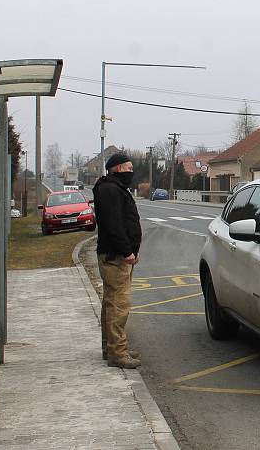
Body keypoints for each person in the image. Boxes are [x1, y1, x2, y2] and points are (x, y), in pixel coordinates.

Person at [93, 153, 142, 369]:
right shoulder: (111, 190)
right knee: (118, 305)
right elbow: (115, 226)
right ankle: (117, 353)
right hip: (116, 257)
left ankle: (112, 347)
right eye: (129, 167)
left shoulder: (112, 188)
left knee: (111, 302)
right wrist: (127, 251)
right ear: (118, 169)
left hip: (117, 255)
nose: (132, 171)